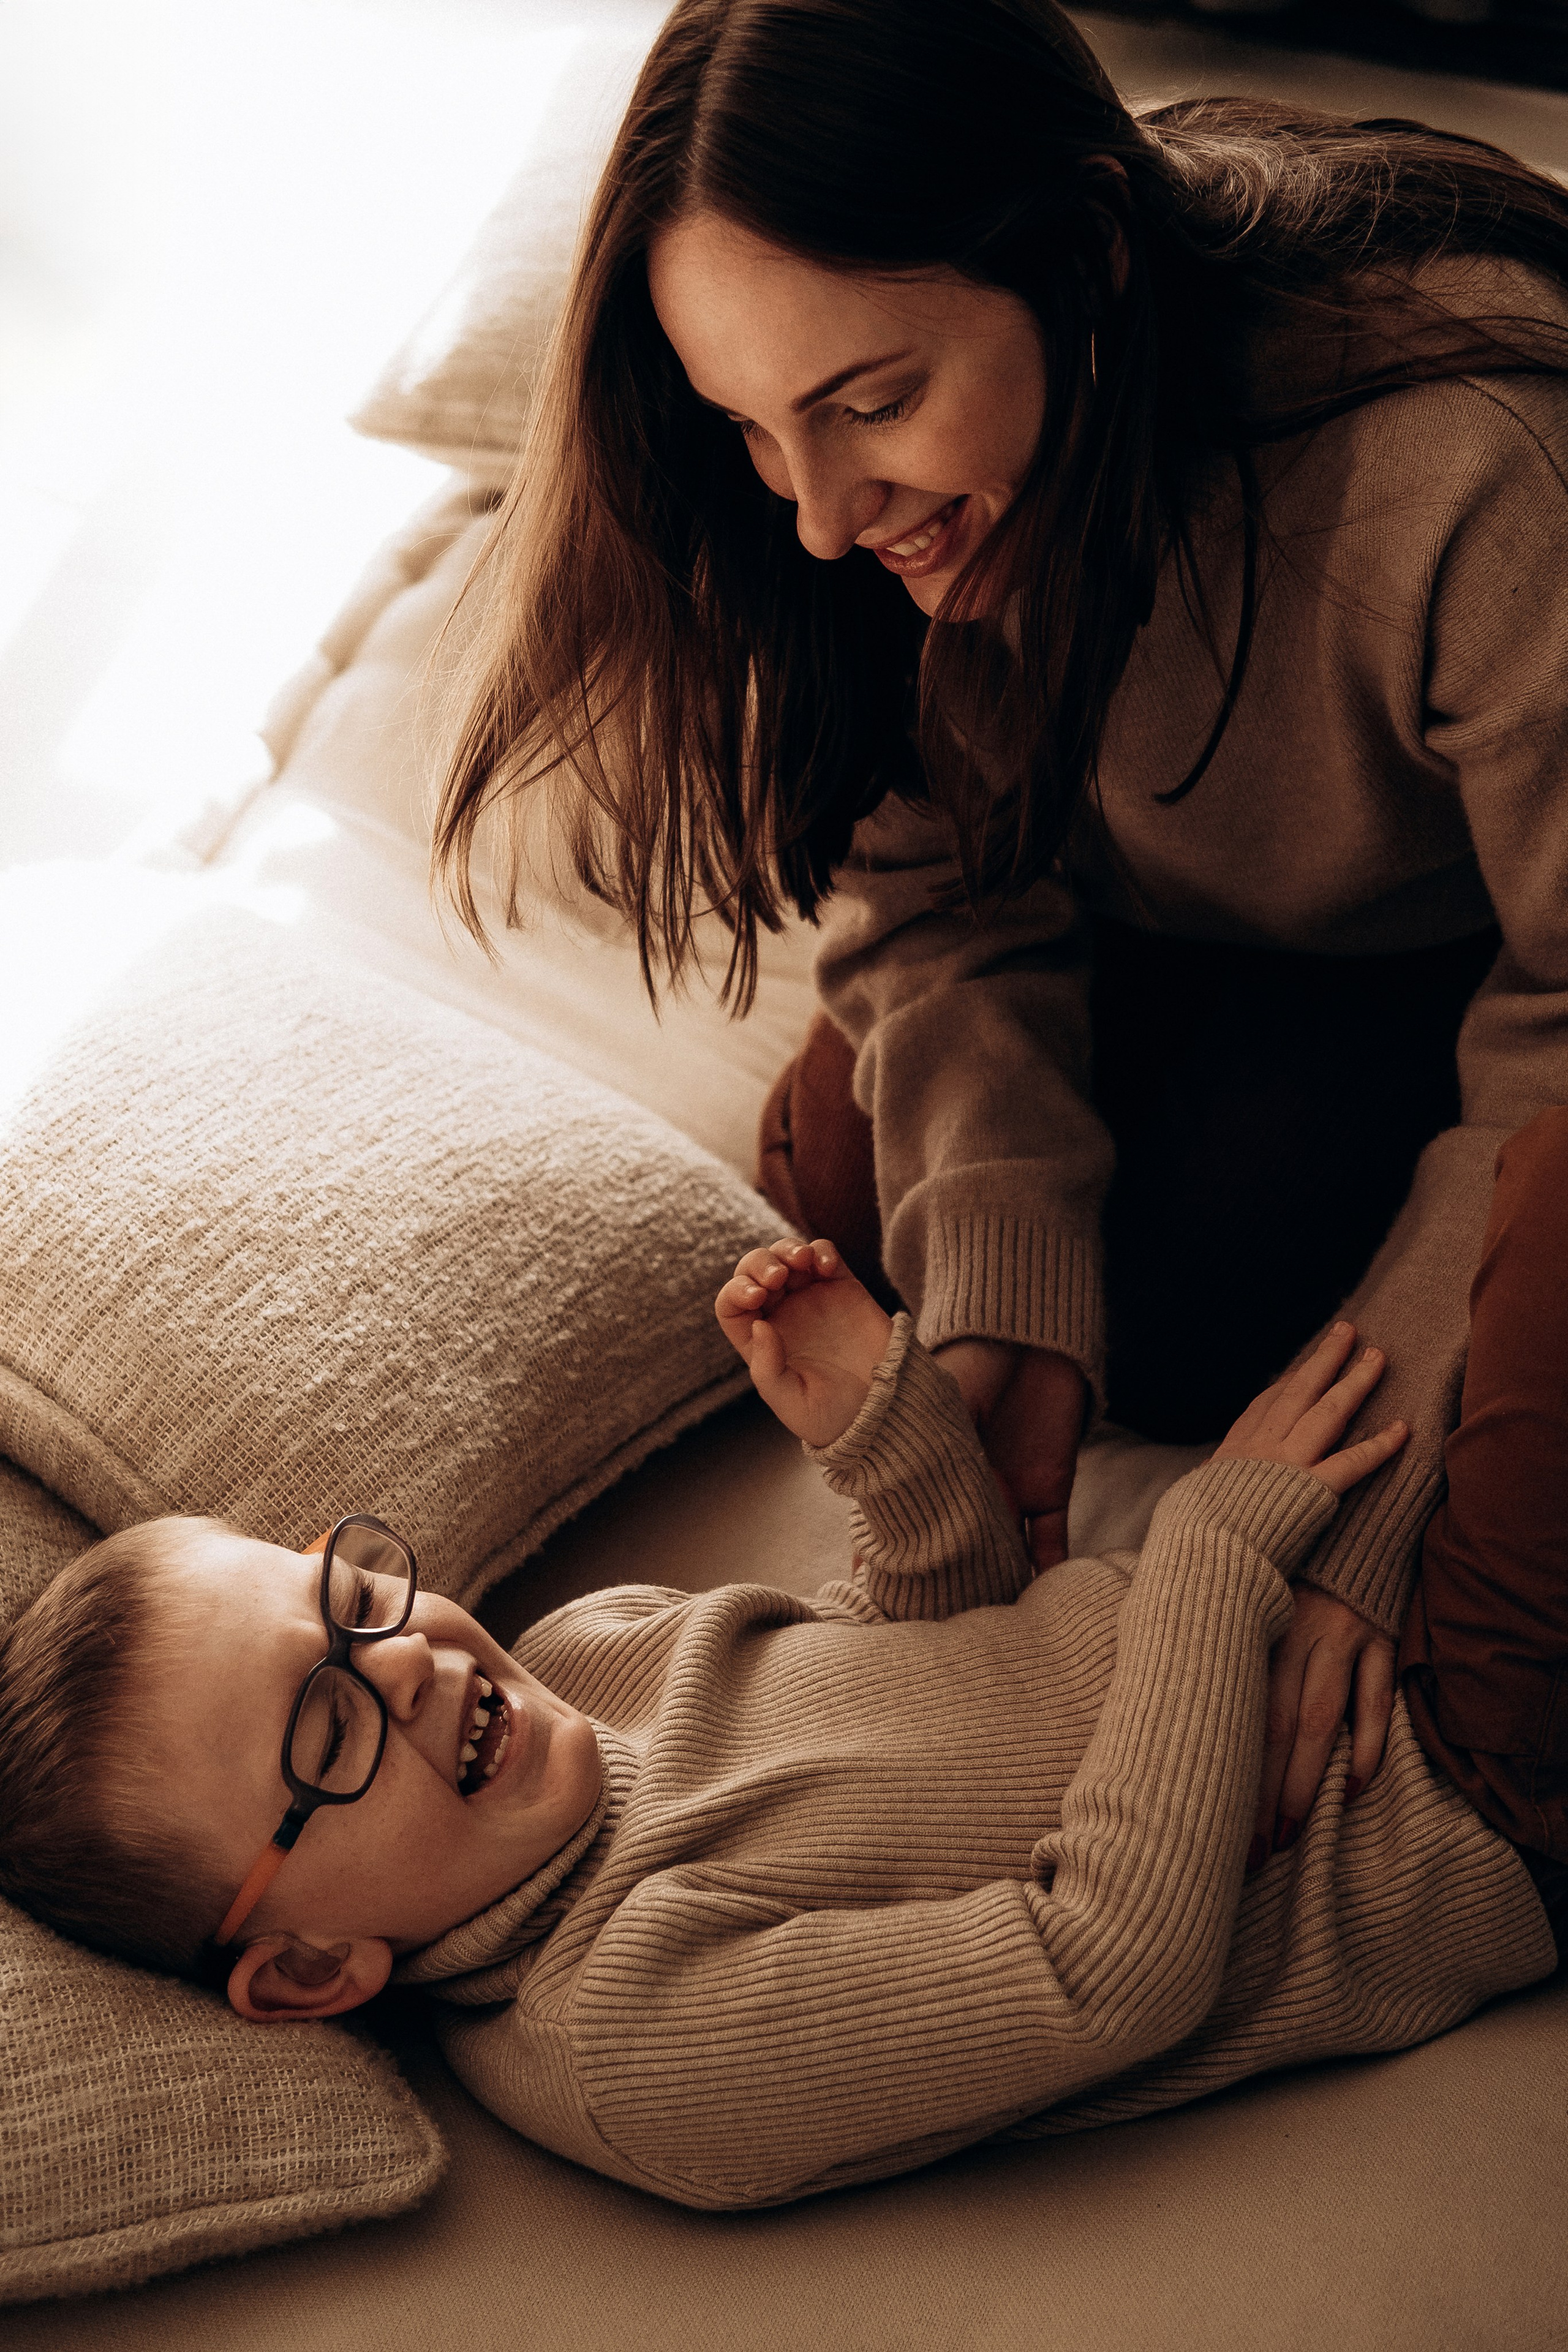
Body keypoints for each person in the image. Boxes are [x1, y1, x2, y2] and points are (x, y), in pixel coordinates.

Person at [430, 0, 1568, 1855]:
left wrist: (1361, 1494)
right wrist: (1008, 1307)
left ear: (1091, 263)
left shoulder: (1471, 465)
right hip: (1206, 951)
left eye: (873, 403)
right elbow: (933, 899)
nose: (814, 518)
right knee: (846, 1171)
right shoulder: (826, 529)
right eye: (750, 427)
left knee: (1482, 1611)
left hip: (1508, 976)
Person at [0, 1116, 1562, 2211]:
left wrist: (886, 1436)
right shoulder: (633, 2037)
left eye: (352, 1600)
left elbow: (940, 1653)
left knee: (847, 1120)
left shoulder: (589, 1659)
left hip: (1317, 1598)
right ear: (307, 1970)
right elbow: (1105, 1966)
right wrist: (1213, 1556)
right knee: (1539, 1186)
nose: (405, 1662)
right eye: (327, 1733)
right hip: (1439, 1789)